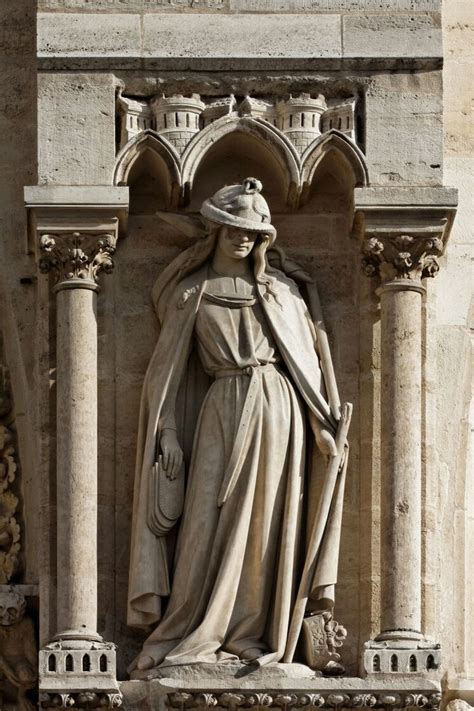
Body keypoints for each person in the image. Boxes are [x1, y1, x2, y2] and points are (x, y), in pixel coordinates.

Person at [127, 178, 348, 671]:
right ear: (216, 230)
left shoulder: (281, 291)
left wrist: (321, 426)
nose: (244, 238)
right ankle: (188, 628)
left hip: (278, 409)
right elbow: (163, 379)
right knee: (203, 521)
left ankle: (250, 634)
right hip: (220, 407)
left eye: (253, 231)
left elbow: (306, 363)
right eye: (234, 229)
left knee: (267, 526)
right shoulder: (193, 294)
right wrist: (166, 435)